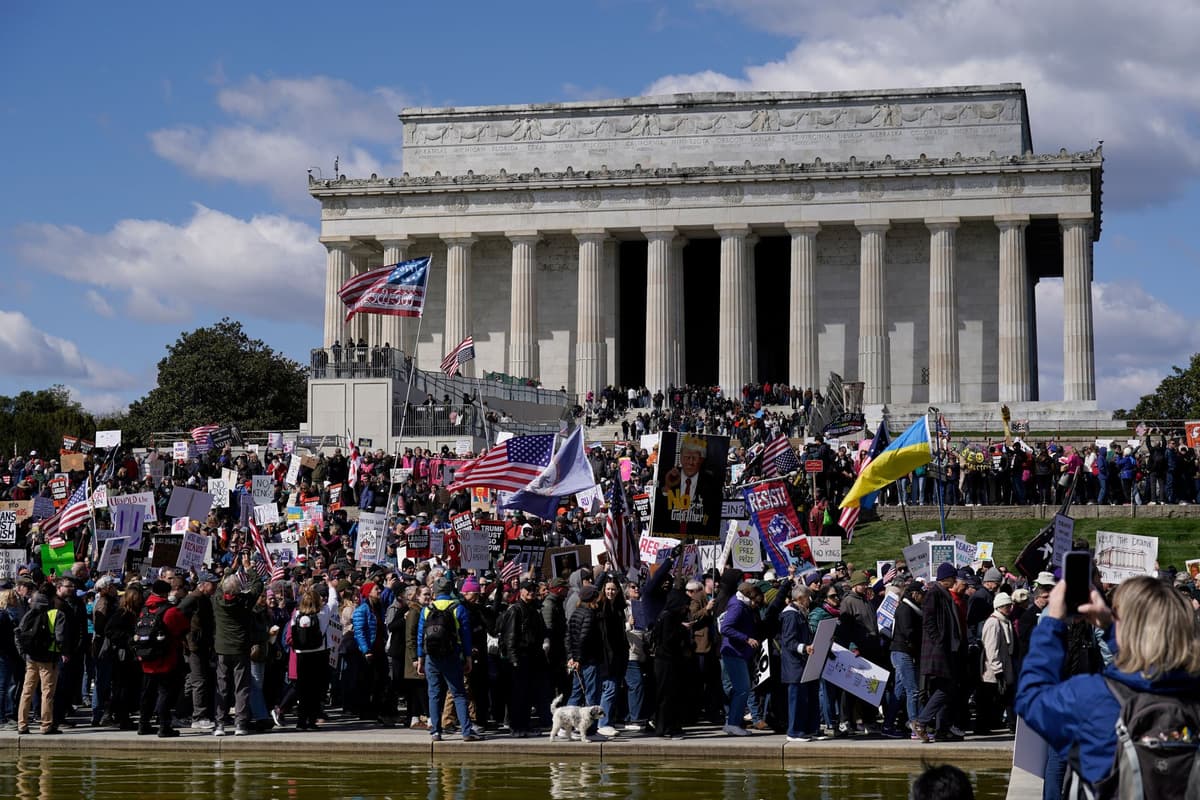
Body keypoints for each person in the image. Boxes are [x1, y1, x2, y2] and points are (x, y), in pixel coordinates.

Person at [1016, 576, 1200, 796]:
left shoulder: (1091, 696)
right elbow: (1147, 671)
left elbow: (1031, 696)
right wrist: (1113, 629)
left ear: (1128, 629)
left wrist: (1052, 622)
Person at [417, 577, 481, 742]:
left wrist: (420, 658)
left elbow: (420, 637)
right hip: (452, 655)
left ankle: (436, 732)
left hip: (431, 656)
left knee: (434, 694)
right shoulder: (458, 608)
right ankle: (466, 731)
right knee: (458, 693)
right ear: (451, 590)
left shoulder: (426, 609)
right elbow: (465, 635)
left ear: (435, 592)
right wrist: (467, 657)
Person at [913, 562, 965, 743]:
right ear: (947, 578)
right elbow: (928, 621)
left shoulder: (943, 594)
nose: (955, 580)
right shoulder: (934, 594)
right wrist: (939, 640)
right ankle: (921, 721)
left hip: (946, 648)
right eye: (953, 577)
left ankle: (941, 729)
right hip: (938, 650)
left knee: (945, 688)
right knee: (946, 687)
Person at [213, 557, 263, 736]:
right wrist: (249, 568)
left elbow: (220, 587)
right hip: (240, 649)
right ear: (239, 589)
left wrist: (228, 571)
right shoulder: (245, 601)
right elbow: (258, 585)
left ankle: (219, 724)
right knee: (241, 687)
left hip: (222, 649)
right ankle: (240, 724)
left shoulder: (217, 600)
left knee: (222, 686)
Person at [136, 579, 191, 738]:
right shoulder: (170, 611)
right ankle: (164, 726)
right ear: (166, 593)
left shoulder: (144, 609)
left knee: (147, 693)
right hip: (166, 658)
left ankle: (143, 724)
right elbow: (183, 628)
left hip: (146, 658)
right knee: (165, 693)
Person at [16, 582, 68, 735]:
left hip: (31, 657)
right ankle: (46, 725)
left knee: (27, 691)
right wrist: (61, 652)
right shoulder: (57, 614)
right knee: (47, 692)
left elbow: (19, 632)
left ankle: (22, 724)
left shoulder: (30, 611)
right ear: (53, 596)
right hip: (48, 658)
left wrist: (23, 653)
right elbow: (60, 638)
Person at [718, 581, 762, 737]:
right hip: (734, 652)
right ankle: (734, 724)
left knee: (739, 689)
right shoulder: (737, 607)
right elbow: (726, 628)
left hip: (736, 652)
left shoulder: (738, 604)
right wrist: (746, 638)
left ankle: (731, 722)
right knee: (742, 689)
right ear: (748, 595)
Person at [779, 584, 819, 742]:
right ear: (800, 598)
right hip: (794, 665)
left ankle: (805, 729)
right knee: (796, 698)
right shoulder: (791, 615)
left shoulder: (799, 613)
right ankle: (794, 731)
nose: (809, 600)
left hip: (801, 663)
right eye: (807, 597)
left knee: (804, 698)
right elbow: (788, 641)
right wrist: (804, 647)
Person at [979, 592, 1016, 734]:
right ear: (999, 606)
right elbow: (991, 648)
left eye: (1010, 605)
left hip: (1004, 666)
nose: (1009, 608)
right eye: (1006, 606)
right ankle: (984, 726)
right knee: (989, 699)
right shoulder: (994, 623)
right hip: (993, 670)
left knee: (1003, 697)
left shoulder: (1005, 621)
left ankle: (1005, 723)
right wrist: (998, 670)